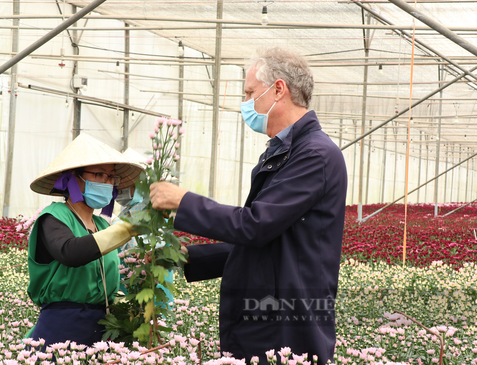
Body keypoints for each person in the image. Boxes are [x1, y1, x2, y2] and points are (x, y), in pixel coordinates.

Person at [149, 47, 347, 364]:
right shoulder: (283, 152)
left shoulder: (314, 155)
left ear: (278, 89)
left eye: (250, 92)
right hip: (267, 318)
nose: (246, 102)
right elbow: (273, 241)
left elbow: (255, 225)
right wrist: (189, 257)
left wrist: (182, 202)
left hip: (286, 328)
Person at [27, 133, 143, 349]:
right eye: (99, 175)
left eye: (111, 178)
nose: (107, 183)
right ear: (73, 176)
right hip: (61, 329)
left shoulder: (103, 225)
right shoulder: (53, 217)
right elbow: (70, 252)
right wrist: (129, 228)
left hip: (101, 330)